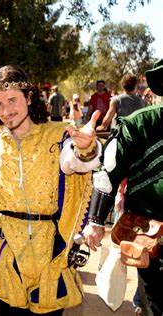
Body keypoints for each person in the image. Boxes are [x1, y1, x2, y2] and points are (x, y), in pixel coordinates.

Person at [0, 65, 102, 315]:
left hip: (48, 252)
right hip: (4, 254)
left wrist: (86, 148)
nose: (6, 111)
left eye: (12, 100)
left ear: (29, 97)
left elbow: (77, 162)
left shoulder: (57, 135)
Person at [83, 59, 163, 316]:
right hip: (152, 236)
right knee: (157, 302)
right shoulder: (140, 124)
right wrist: (96, 221)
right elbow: (108, 170)